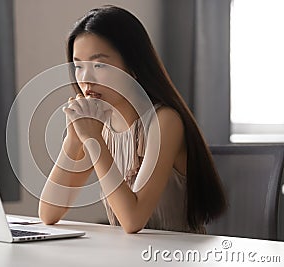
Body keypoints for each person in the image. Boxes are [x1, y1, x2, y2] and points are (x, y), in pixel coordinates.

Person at [38, 5, 226, 234]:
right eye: (78, 66)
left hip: (173, 256)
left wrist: (93, 138)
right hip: (130, 255)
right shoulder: (100, 125)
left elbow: (133, 220)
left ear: (133, 65)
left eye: (99, 65)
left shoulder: (164, 121)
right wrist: (74, 139)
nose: (85, 78)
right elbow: (49, 213)